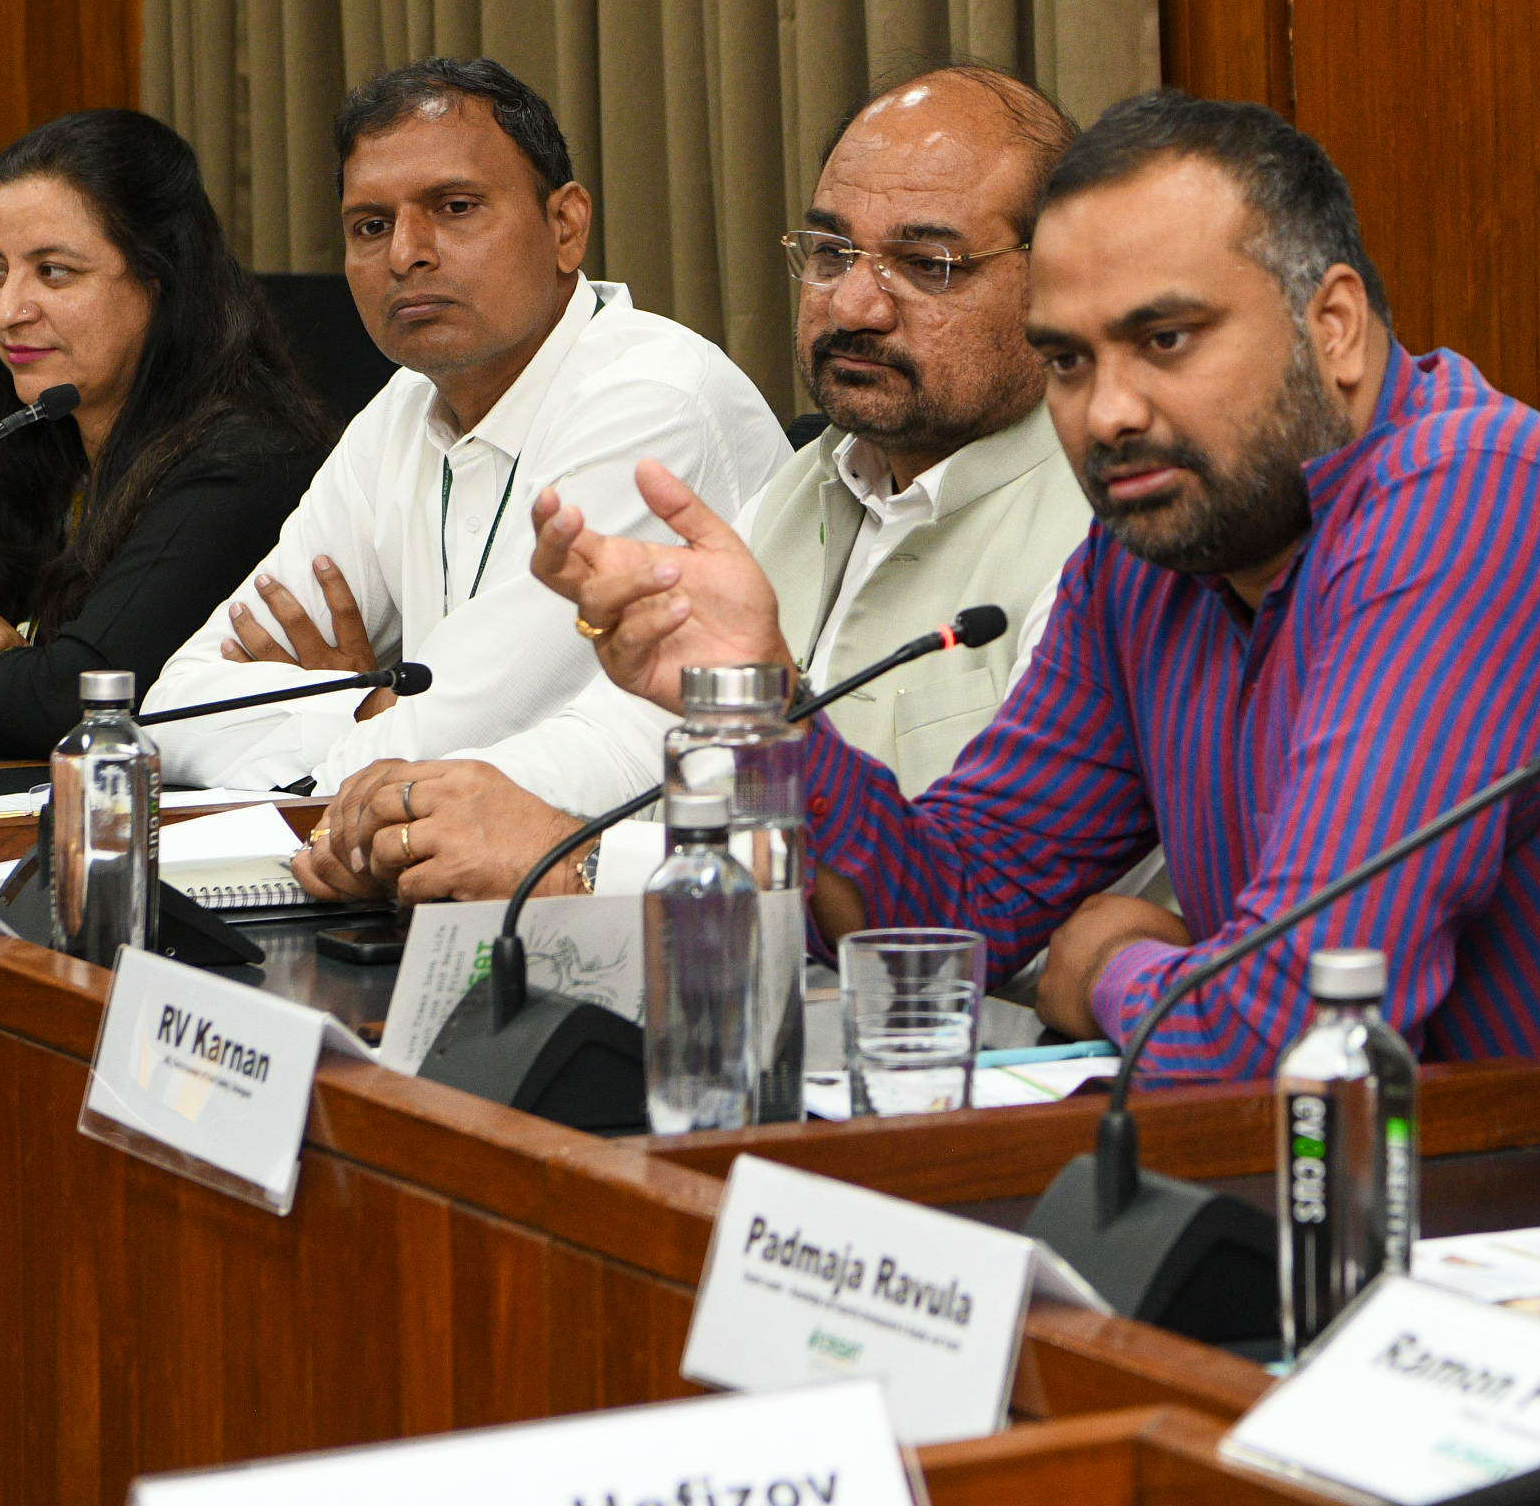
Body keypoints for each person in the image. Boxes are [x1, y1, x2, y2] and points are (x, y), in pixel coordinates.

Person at [533, 91, 1540, 1171]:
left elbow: (1292, 1032)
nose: (1108, 411)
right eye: (1068, 362)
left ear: (1332, 328)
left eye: (1165, 340)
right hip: (1357, 1224)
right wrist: (755, 696)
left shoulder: (1477, 504)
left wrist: (1109, 973)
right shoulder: (1155, 556)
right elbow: (949, 907)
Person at [289, 65, 1098, 905]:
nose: (855, 305)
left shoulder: (1097, 539)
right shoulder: (809, 486)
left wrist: (580, 868)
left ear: (1064, 280)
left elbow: (968, 901)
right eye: (830, 253)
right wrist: (432, 805)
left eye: (927, 264)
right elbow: (639, 739)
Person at [136, 58, 786, 799]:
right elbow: (177, 707)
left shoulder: (653, 400)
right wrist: (366, 707)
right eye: (371, 226)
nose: (406, 253)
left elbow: (466, 749)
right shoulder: (403, 406)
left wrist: (363, 712)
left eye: (455, 207)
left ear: (566, 226)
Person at [0, 111, 332, 756]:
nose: (8, 310)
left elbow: (76, 700)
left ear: (161, 280)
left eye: (55, 271)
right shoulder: (50, 443)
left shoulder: (245, 460)